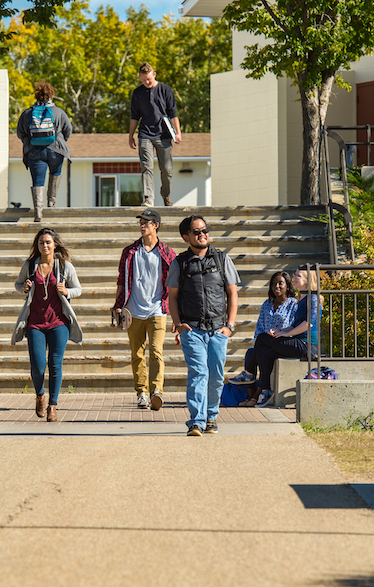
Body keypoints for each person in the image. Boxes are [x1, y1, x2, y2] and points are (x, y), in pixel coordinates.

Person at [168, 215, 240, 436]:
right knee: (198, 372)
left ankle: (211, 417)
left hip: (218, 328)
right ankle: (196, 421)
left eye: (205, 230)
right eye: (197, 232)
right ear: (186, 237)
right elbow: (172, 297)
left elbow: (232, 293)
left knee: (216, 374)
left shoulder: (221, 259)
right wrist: (178, 324)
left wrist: (229, 325)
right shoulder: (179, 262)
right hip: (192, 329)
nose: (202, 235)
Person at [12, 228, 83, 421]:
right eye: (41, 242)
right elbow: (17, 284)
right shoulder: (29, 266)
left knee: (55, 364)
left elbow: (78, 289)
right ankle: (40, 395)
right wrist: (24, 287)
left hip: (58, 323)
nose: (45, 245)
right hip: (35, 323)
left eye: (48, 242)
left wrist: (67, 292)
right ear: (38, 245)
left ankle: (53, 405)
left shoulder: (64, 266)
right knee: (37, 365)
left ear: (55, 245)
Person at [113, 208, 177, 410]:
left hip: (158, 308)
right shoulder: (130, 252)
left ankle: (156, 391)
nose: (142, 225)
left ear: (156, 225)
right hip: (133, 310)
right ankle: (142, 393)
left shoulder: (167, 253)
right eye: (141, 222)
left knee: (156, 351)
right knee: (137, 354)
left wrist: (177, 314)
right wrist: (117, 307)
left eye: (147, 222)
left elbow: (175, 285)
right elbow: (121, 282)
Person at [238, 268, 321, 408]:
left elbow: (309, 324)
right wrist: (280, 331)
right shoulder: (302, 299)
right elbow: (295, 324)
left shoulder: (313, 298)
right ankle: (265, 390)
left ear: (307, 281)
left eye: (298, 276)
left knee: (263, 338)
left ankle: (249, 373)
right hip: (297, 342)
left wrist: (287, 334)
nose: (294, 277)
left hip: (307, 346)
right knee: (264, 352)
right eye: (294, 275)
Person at [229, 271, 298, 394]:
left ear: (287, 285)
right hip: (264, 341)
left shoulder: (293, 304)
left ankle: (256, 394)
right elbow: (259, 327)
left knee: (260, 352)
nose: (277, 286)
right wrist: (264, 336)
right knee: (252, 352)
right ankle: (250, 394)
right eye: (274, 284)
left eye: (280, 283)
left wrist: (278, 332)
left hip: (281, 342)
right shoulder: (267, 304)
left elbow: (292, 326)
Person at [17, 82, 73, 222]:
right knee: (55, 173)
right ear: (51, 94)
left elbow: (20, 133)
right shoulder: (58, 112)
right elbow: (68, 129)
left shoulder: (28, 113)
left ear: (36, 95)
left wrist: (29, 142)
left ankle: (38, 212)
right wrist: (59, 141)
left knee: (38, 180)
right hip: (56, 150)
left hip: (34, 151)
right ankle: (51, 204)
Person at [128, 62, 182, 207]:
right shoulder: (137, 93)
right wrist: (131, 135)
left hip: (163, 134)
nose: (146, 82)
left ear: (154, 75)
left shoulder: (165, 90)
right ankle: (148, 198)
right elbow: (134, 116)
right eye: (143, 79)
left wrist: (178, 132)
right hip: (145, 134)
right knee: (146, 167)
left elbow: (173, 114)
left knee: (167, 170)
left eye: (149, 79)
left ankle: (166, 195)